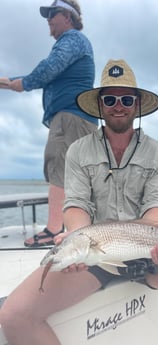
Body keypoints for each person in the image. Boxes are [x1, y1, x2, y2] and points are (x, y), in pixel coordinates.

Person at [0, 59, 158, 345]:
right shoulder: (78, 151)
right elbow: (76, 203)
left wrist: (157, 234)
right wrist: (78, 240)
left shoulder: (157, 152)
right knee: (14, 315)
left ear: (137, 104)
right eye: (110, 98)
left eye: (126, 98)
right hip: (95, 259)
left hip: (150, 254)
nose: (118, 105)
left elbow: (156, 203)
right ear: (100, 104)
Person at [0, 0, 98, 247]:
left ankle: (54, 231)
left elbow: (48, 68)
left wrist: (22, 84)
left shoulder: (72, 39)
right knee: (75, 174)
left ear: (67, 16)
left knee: (58, 168)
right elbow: (48, 74)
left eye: (52, 14)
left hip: (69, 118)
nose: (48, 20)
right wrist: (10, 81)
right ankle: (79, 228)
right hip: (80, 118)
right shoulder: (75, 44)